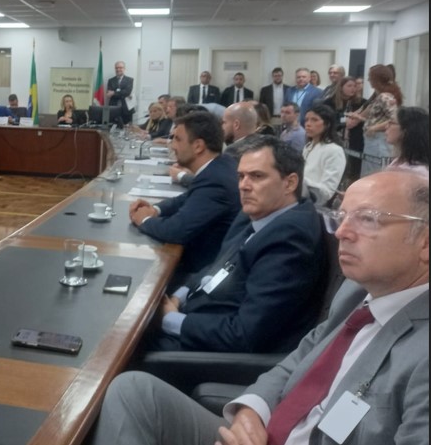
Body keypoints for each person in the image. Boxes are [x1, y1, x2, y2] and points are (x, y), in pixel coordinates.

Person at [90, 171, 428, 445]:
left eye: (368, 219)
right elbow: (297, 361)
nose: (341, 231)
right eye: (342, 217)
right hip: (269, 431)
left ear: (425, 242)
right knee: (133, 391)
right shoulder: (357, 292)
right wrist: (253, 410)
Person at [142, 134, 324, 352]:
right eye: (241, 176)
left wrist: (169, 319)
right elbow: (217, 265)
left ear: (290, 183)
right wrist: (178, 297)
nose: (244, 186)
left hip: (208, 352)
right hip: (198, 315)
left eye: (257, 176)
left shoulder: (291, 239)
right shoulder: (258, 214)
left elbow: (244, 334)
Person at [129, 112, 241, 288]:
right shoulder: (220, 165)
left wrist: (144, 220)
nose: (172, 145)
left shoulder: (216, 180)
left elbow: (176, 230)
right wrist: (156, 209)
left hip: (199, 274)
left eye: (178, 139)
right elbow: (186, 198)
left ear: (198, 146)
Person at [347, 64, 402, 177]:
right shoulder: (378, 96)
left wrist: (374, 128)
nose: (368, 80)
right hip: (372, 140)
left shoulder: (385, 97)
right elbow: (378, 118)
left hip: (379, 141)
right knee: (368, 170)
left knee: (374, 172)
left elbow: (394, 120)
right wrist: (361, 119)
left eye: (370, 77)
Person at [324, 76, 366, 184]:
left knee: (354, 170)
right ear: (341, 87)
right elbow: (327, 119)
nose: (353, 89)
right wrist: (343, 121)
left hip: (355, 141)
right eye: (349, 86)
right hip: (335, 139)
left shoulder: (362, 103)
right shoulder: (330, 102)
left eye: (355, 86)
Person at [303, 104, 346, 207]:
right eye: (306, 120)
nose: (308, 124)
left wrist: (300, 181)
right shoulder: (308, 146)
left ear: (327, 124)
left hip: (317, 205)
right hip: (302, 199)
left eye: (314, 120)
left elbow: (327, 192)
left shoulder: (334, 150)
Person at [386, 106, 429, 175]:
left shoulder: (417, 172)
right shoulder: (397, 161)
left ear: (405, 131)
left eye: (391, 123)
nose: (386, 126)